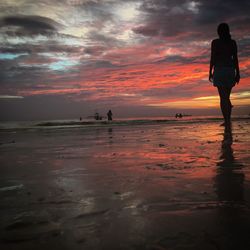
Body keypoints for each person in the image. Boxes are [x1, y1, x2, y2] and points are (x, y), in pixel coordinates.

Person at [209, 23, 240, 127]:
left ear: (218, 32)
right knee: (226, 97)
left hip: (220, 70)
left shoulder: (215, 42)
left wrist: (210, 72)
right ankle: (228, 119)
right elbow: (235, 59)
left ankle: (227, 121)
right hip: (230, 71)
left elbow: (212, 58)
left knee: (223, 98)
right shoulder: (232, 43)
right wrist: (238, 73)